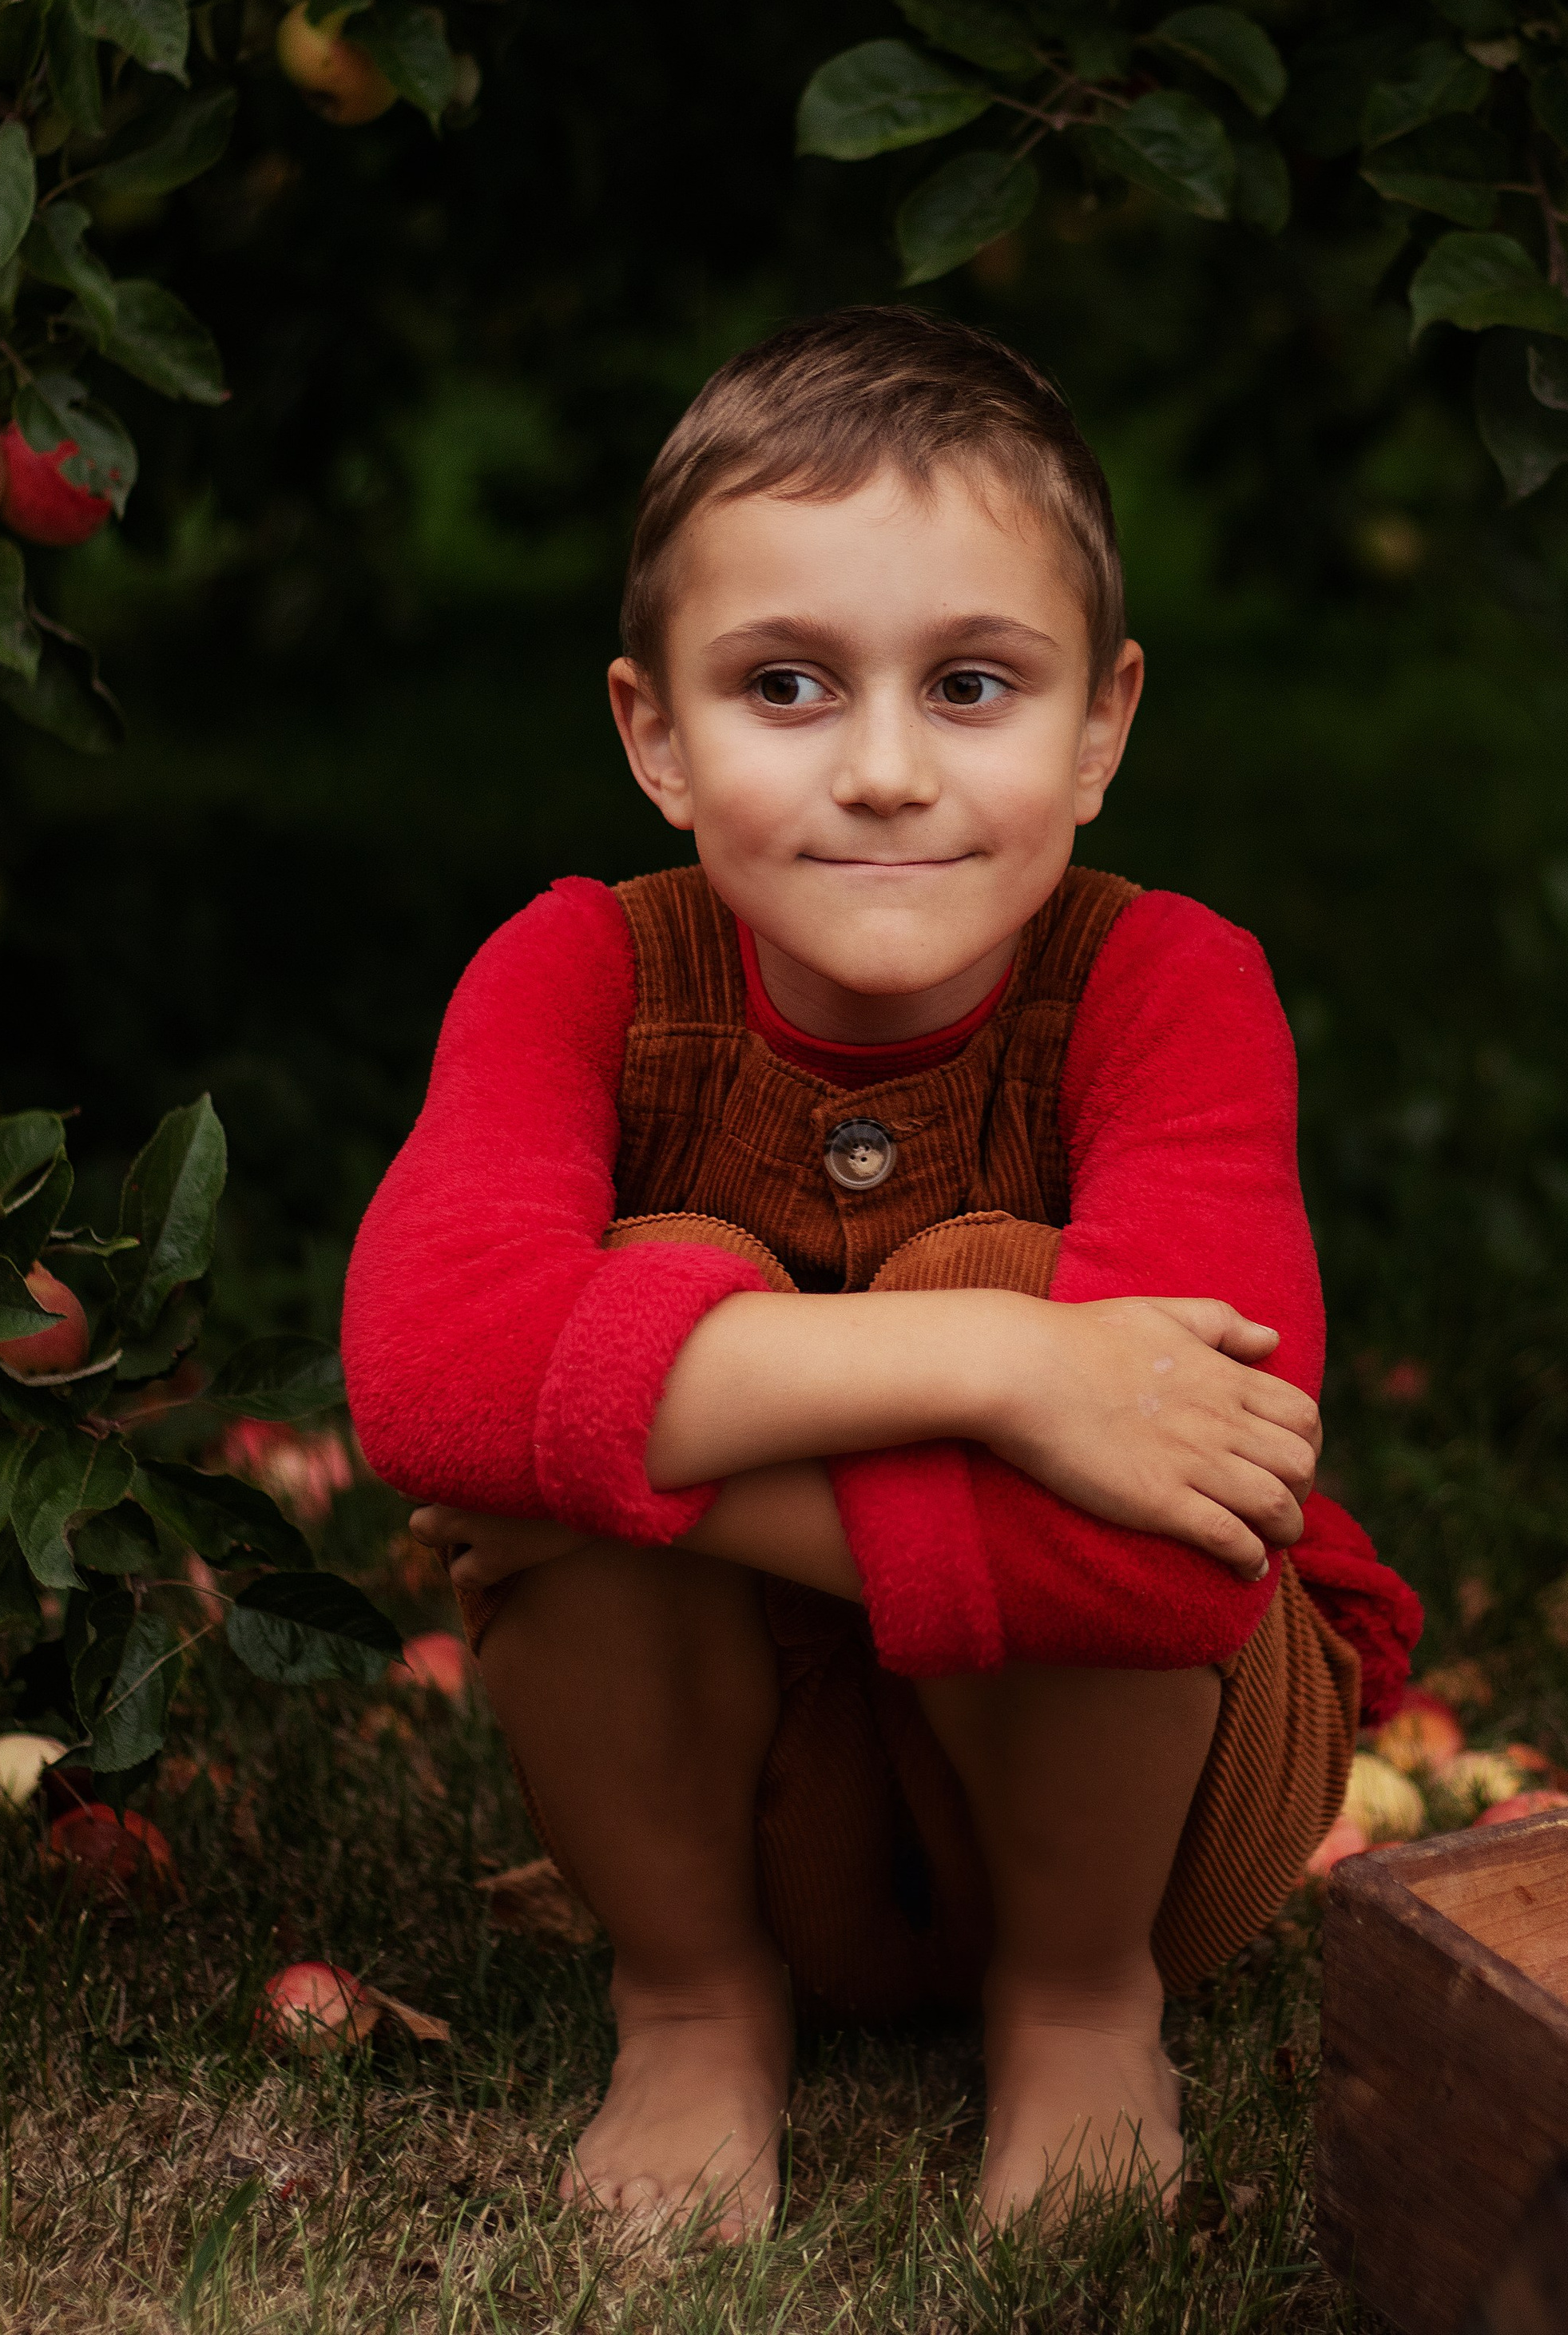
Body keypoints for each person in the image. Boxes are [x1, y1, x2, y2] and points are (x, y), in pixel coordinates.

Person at [341, 308, 1419, 2242]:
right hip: (737, 1817)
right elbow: (419, 1378)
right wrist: (1005, 1369)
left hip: (1148, 1823)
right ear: (651, 734)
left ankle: (1082, 2010)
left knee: (664, 1346)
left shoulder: (1168, 986)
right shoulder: (579, 967)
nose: (886, 770)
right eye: (784, 687)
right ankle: (688, 2001)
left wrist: (611, 1452)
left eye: (976, 687)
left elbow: (1174, 1541)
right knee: (832, 1293)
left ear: (1103, 727)